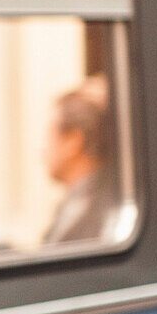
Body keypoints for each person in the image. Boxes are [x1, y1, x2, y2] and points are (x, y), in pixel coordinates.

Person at [42, 77, 118, 245]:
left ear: (73, 141)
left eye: (50, 136)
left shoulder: (95, 211)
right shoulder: (75, 202)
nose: (42, 150)